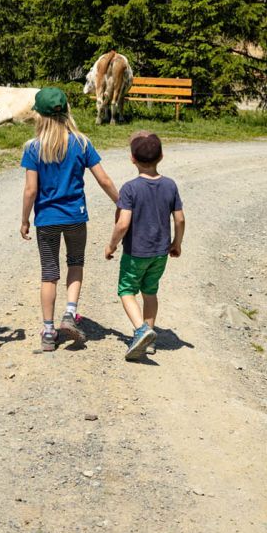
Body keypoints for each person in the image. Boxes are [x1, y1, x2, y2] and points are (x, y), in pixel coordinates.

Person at [19, 87, 119, 351]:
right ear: (66, 112)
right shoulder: (81, 142)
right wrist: (121, 204)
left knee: (49, 274)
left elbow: (30, 190)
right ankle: (70, 313)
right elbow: (104, 178)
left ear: (38, 115)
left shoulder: (33, 148)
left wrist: (25, 220)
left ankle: (49, 331)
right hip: (76, 217)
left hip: (46, 220)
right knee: (76, 263)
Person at [105, 132, 185, 361]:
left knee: (127, 290)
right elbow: (179, 219)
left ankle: (141, 330)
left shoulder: (130, 188)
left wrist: (111, 245)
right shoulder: (170, 185)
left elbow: (123, 223)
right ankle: (148, 340)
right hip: (160, 254)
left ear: (132, 158)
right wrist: (176, 243)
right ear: (161, 156)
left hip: (135, 253)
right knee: (150, 292)